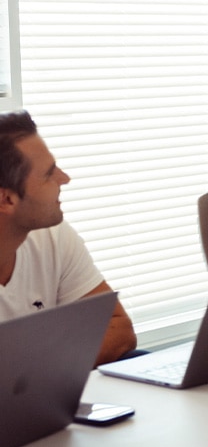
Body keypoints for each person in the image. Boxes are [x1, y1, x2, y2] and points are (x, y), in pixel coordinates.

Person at [0, 110, 137, 366]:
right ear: (6, 199)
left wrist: (36, 370)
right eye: (48, 174)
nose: (64, 178)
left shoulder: (53, 234)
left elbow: (118, 329)